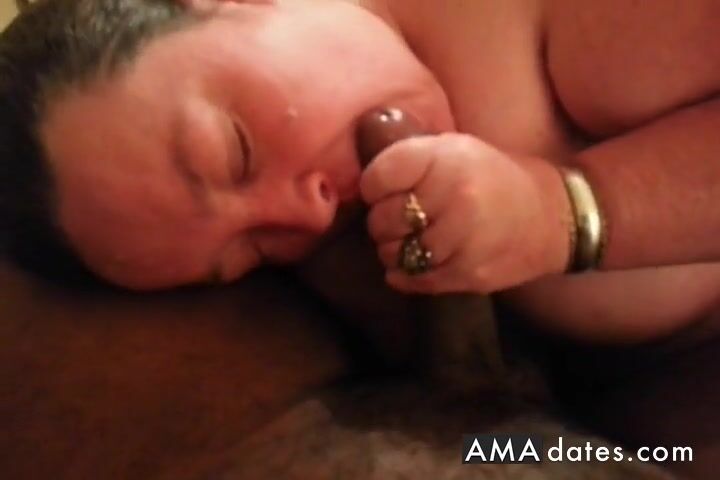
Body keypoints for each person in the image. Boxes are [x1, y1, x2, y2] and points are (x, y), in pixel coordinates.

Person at [1, 0, 719, 477]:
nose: (306, 220)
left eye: (236, 153)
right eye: (248, 252)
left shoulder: (556, 30)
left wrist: (565, 209)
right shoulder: (353, 224)